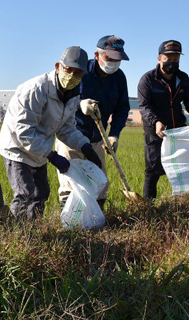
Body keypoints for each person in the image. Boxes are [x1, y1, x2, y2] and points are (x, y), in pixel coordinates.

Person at [0, 46, 102, 221]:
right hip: (17, 148)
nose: (72, 76)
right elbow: (23, 131)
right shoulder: (35, 90)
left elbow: (66, 128)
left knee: (41, 192)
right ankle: (18, 235)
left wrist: (85, 146)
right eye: (69, 70)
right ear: (58, 67)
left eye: (78, 73)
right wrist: (51, 155)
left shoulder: (73, 95)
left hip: (40, 148)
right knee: (26, 193)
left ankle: (34, 230)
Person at [55, 35, 130, 209]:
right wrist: (79, 104)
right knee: (70, 182)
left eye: (117, 59)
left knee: (99, 182)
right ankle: (70, 224)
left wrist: (114, 135)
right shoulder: (80, 70)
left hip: (97, 138)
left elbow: (122, 109)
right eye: (109, 58)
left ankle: (96, 220)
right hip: (71, 135)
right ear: (97, 55)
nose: (113, 62)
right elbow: (62, 96)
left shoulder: (119, 78)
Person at [137, 40, 189, 200]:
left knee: (182, 168)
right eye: (168, 58)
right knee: (153, 169)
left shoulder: (182, 78)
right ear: (159, 58)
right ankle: (149, 206)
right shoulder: (147, 79)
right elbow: (144, 106)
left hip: (178, 129)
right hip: (155, 130)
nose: (172, 62)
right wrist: (156, 121)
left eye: (176, 59)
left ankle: (183, 203)